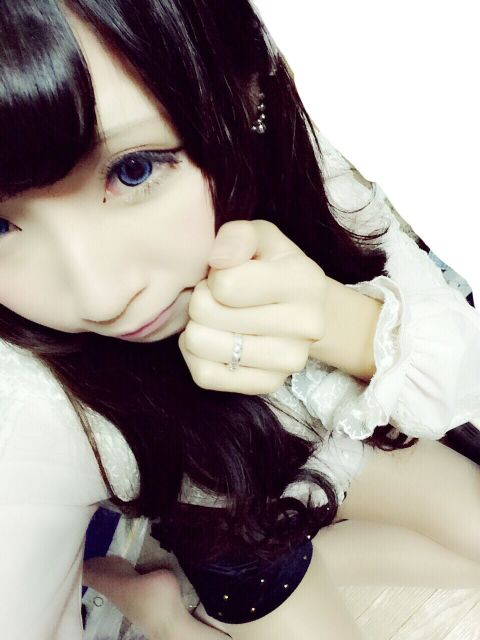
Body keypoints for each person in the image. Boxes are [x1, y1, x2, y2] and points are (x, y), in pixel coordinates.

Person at [0, 1, 479, 639]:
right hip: (227, 526)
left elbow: (464, 373)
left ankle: (205, 587)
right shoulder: (28, 401)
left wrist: (335, 320)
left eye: (134, 169)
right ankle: (167, 613)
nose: (100, 297)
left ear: (245, 89)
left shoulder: (313, 154)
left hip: (323, 441)